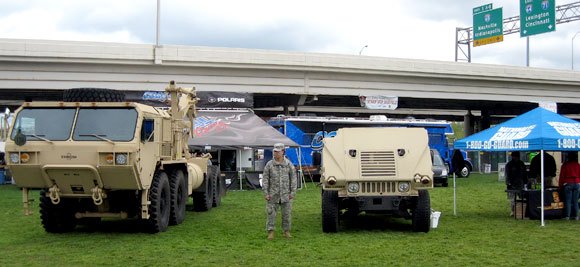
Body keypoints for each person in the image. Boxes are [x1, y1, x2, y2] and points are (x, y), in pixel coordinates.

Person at [262, 143, 297, 240]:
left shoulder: (289, 164)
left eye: (278, 151)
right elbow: (265, 179)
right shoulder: (269, 164)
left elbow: (293, 179)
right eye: (274, 151)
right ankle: (271, 232)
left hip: (286, 195)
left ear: (283, 152)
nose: (276, 153)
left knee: (286, 214)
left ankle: (286, 231)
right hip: (273, 195)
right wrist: (266, 193)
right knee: (271, 214)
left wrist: (292, 193)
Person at [558, 152, 580, 220]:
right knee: (576, 201)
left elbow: (562, 176)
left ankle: (567, 216)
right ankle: (576, 216)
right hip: (577, 183)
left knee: (568, 201)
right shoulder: (578, 165)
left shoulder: (565, 165)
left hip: (568, 183)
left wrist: (560, 185)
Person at [505, 151, 527, 216]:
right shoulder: (509, 164)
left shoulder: (521, 164)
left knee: (521, 198)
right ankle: (512, 211)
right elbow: (507, 175)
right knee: (512, 199)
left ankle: (521, 210)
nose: (516, 157)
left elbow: (524, 174)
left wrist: (525, 182)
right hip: (512, 184)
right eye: (515, 156)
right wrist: (508, 183)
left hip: (520, 184)